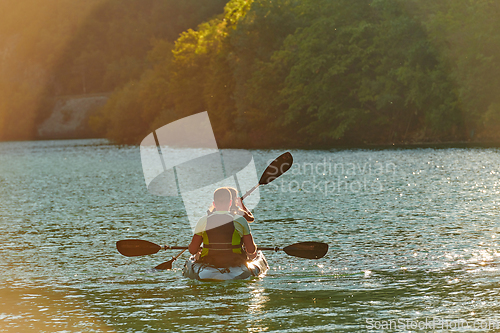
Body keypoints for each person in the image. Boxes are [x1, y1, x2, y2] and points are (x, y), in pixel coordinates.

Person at [188, 187, 257, 268]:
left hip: (208, 262)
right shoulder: (240, 220)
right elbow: (251, 250)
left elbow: (192, 250)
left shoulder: (203, 220)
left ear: (214, 204)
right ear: (230, 203)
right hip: (235, 262)